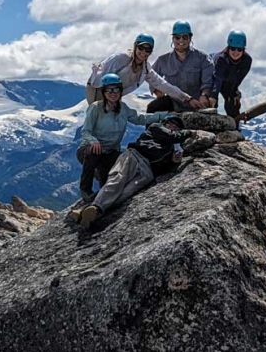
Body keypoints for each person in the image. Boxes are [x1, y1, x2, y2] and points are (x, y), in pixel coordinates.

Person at [71, 115, 192, 228]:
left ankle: (89, 211)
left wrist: (174, 161)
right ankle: (95, 208)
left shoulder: (173, 147)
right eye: (170, 124)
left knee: (126, 192)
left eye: (176, 127)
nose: (172, 127)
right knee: (118, 179)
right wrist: (191, 132)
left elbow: (167, 169)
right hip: (135, 155)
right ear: (164, 123)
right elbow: (173, 136)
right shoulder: (156, 127)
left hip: (148, 171)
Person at [77, 73, 171, 203]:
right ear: (103, 92)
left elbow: (140, 119)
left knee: (120, 168)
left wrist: (164, 115)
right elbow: (86, 131)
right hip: (89, 150)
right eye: (109, 90)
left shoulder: (123, 109)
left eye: (116, 89)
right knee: (94, 152)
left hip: (109, 153)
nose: (113, 93)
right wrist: (94, 141)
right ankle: (85, 190)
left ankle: (101, 199)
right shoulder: (95, 108)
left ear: (120, 91)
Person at [86, 33, 202, 108]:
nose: (143, 52)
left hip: (114, 94)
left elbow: (163, 85)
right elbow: (101, 77)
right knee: (97, 118)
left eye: (148, 50)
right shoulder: (121, 58)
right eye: (141, 48)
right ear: (135, 46)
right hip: (97, 89)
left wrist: (187, 98)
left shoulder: (145, 69)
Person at [147, 21, 213, 113]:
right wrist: (157, 91)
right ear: (173, 39)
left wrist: (204, 95)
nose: (181, 40)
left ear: (190, 38)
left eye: (185, 37)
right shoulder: (163, 60)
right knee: (152, 107)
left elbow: (208, 82)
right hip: (172, 104)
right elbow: (150, 76)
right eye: (177, 37)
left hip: (197, 104)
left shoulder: (203, 59)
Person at [208, 30, 252, 118]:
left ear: (243, 50)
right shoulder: (221, 59)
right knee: (211, 102)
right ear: (228, 47)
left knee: (233, 102)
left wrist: (234, 93)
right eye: (233, 48)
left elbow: (237, 80)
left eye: (239, 49)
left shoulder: (247, 60)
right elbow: (217, 79)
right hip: (212, 76)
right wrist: (213, 96)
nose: (236, 52)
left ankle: (234, 125)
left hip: (228, 79)